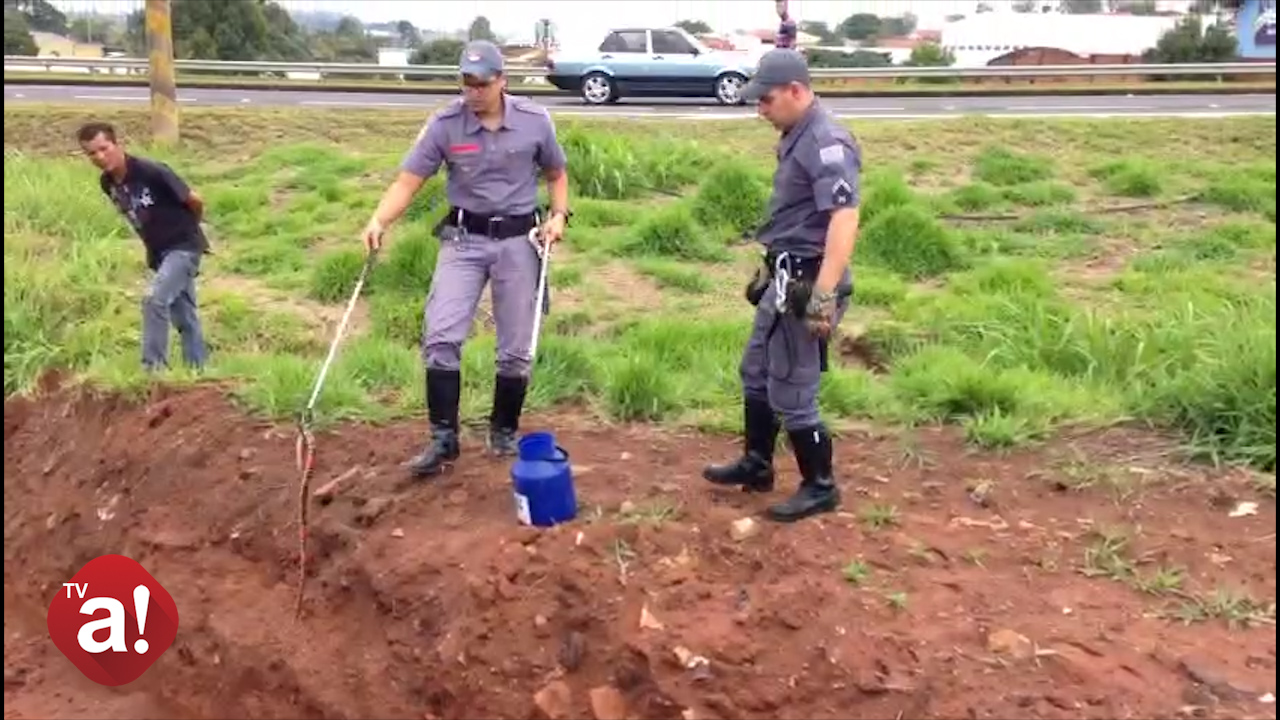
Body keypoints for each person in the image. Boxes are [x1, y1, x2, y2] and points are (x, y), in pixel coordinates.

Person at [361, 39, 570, 479]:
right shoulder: (444, 124)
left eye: (481, 83)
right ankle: (443, 438)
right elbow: (408, 181)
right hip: (463, 240)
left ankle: (503, 430)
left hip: (519, 241)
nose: (472, 91)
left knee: (516, 348)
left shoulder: (535, 121)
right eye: (465, 82)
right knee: (441, 336)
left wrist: (558, 216)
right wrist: (379, 220)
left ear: (501, 81)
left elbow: (556, 173)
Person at [702, 49, 860, 523]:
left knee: (793, 388)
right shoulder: (797, 131)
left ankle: (820, 486)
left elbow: (844, 218)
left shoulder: (826, 141)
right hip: (785, 274)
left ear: (796, 91)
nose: (760, 109)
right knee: (755, 370)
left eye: (766, 99)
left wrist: (823, 295)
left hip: (810, 281)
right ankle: (758, 462)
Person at [77, 121, 209, 374]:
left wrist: (190, 230)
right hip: (159, 252)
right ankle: (199, 372)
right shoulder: (108, 183)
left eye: (104, 148)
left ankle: (153, 371)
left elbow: (194, 200)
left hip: (183, 247)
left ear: (117, 145)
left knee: (154, 300)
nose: (100, 157)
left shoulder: (151, 171)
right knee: (185, 317)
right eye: (91, 153)